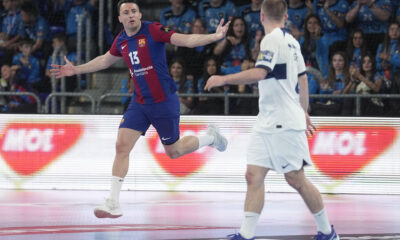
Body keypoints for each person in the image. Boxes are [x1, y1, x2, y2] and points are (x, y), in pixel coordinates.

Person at [50, 0, 229, 219]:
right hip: (140, 103)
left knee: (174, 152)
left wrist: (213, 36)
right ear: (120, 18)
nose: (131, 14)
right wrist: (76, 69)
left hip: (164, 101)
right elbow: (105, 60)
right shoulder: (122, 40)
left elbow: (185, 39)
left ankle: (209, 137)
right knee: (121, 146)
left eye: (134, 11)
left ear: (140, 14)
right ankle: (113, 202)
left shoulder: (153, 30)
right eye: (126, 12)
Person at [204, 0, 339, 239]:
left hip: (283, 123)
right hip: (267, 121)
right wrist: (304, 110)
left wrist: (223, 79)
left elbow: (260, 73)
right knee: (253, 175)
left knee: (296, 179)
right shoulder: (292, 41)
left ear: (262, 17)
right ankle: (246, 235)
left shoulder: (272, 40)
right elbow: (303, 79)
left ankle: (327, 232)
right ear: (286, 16)